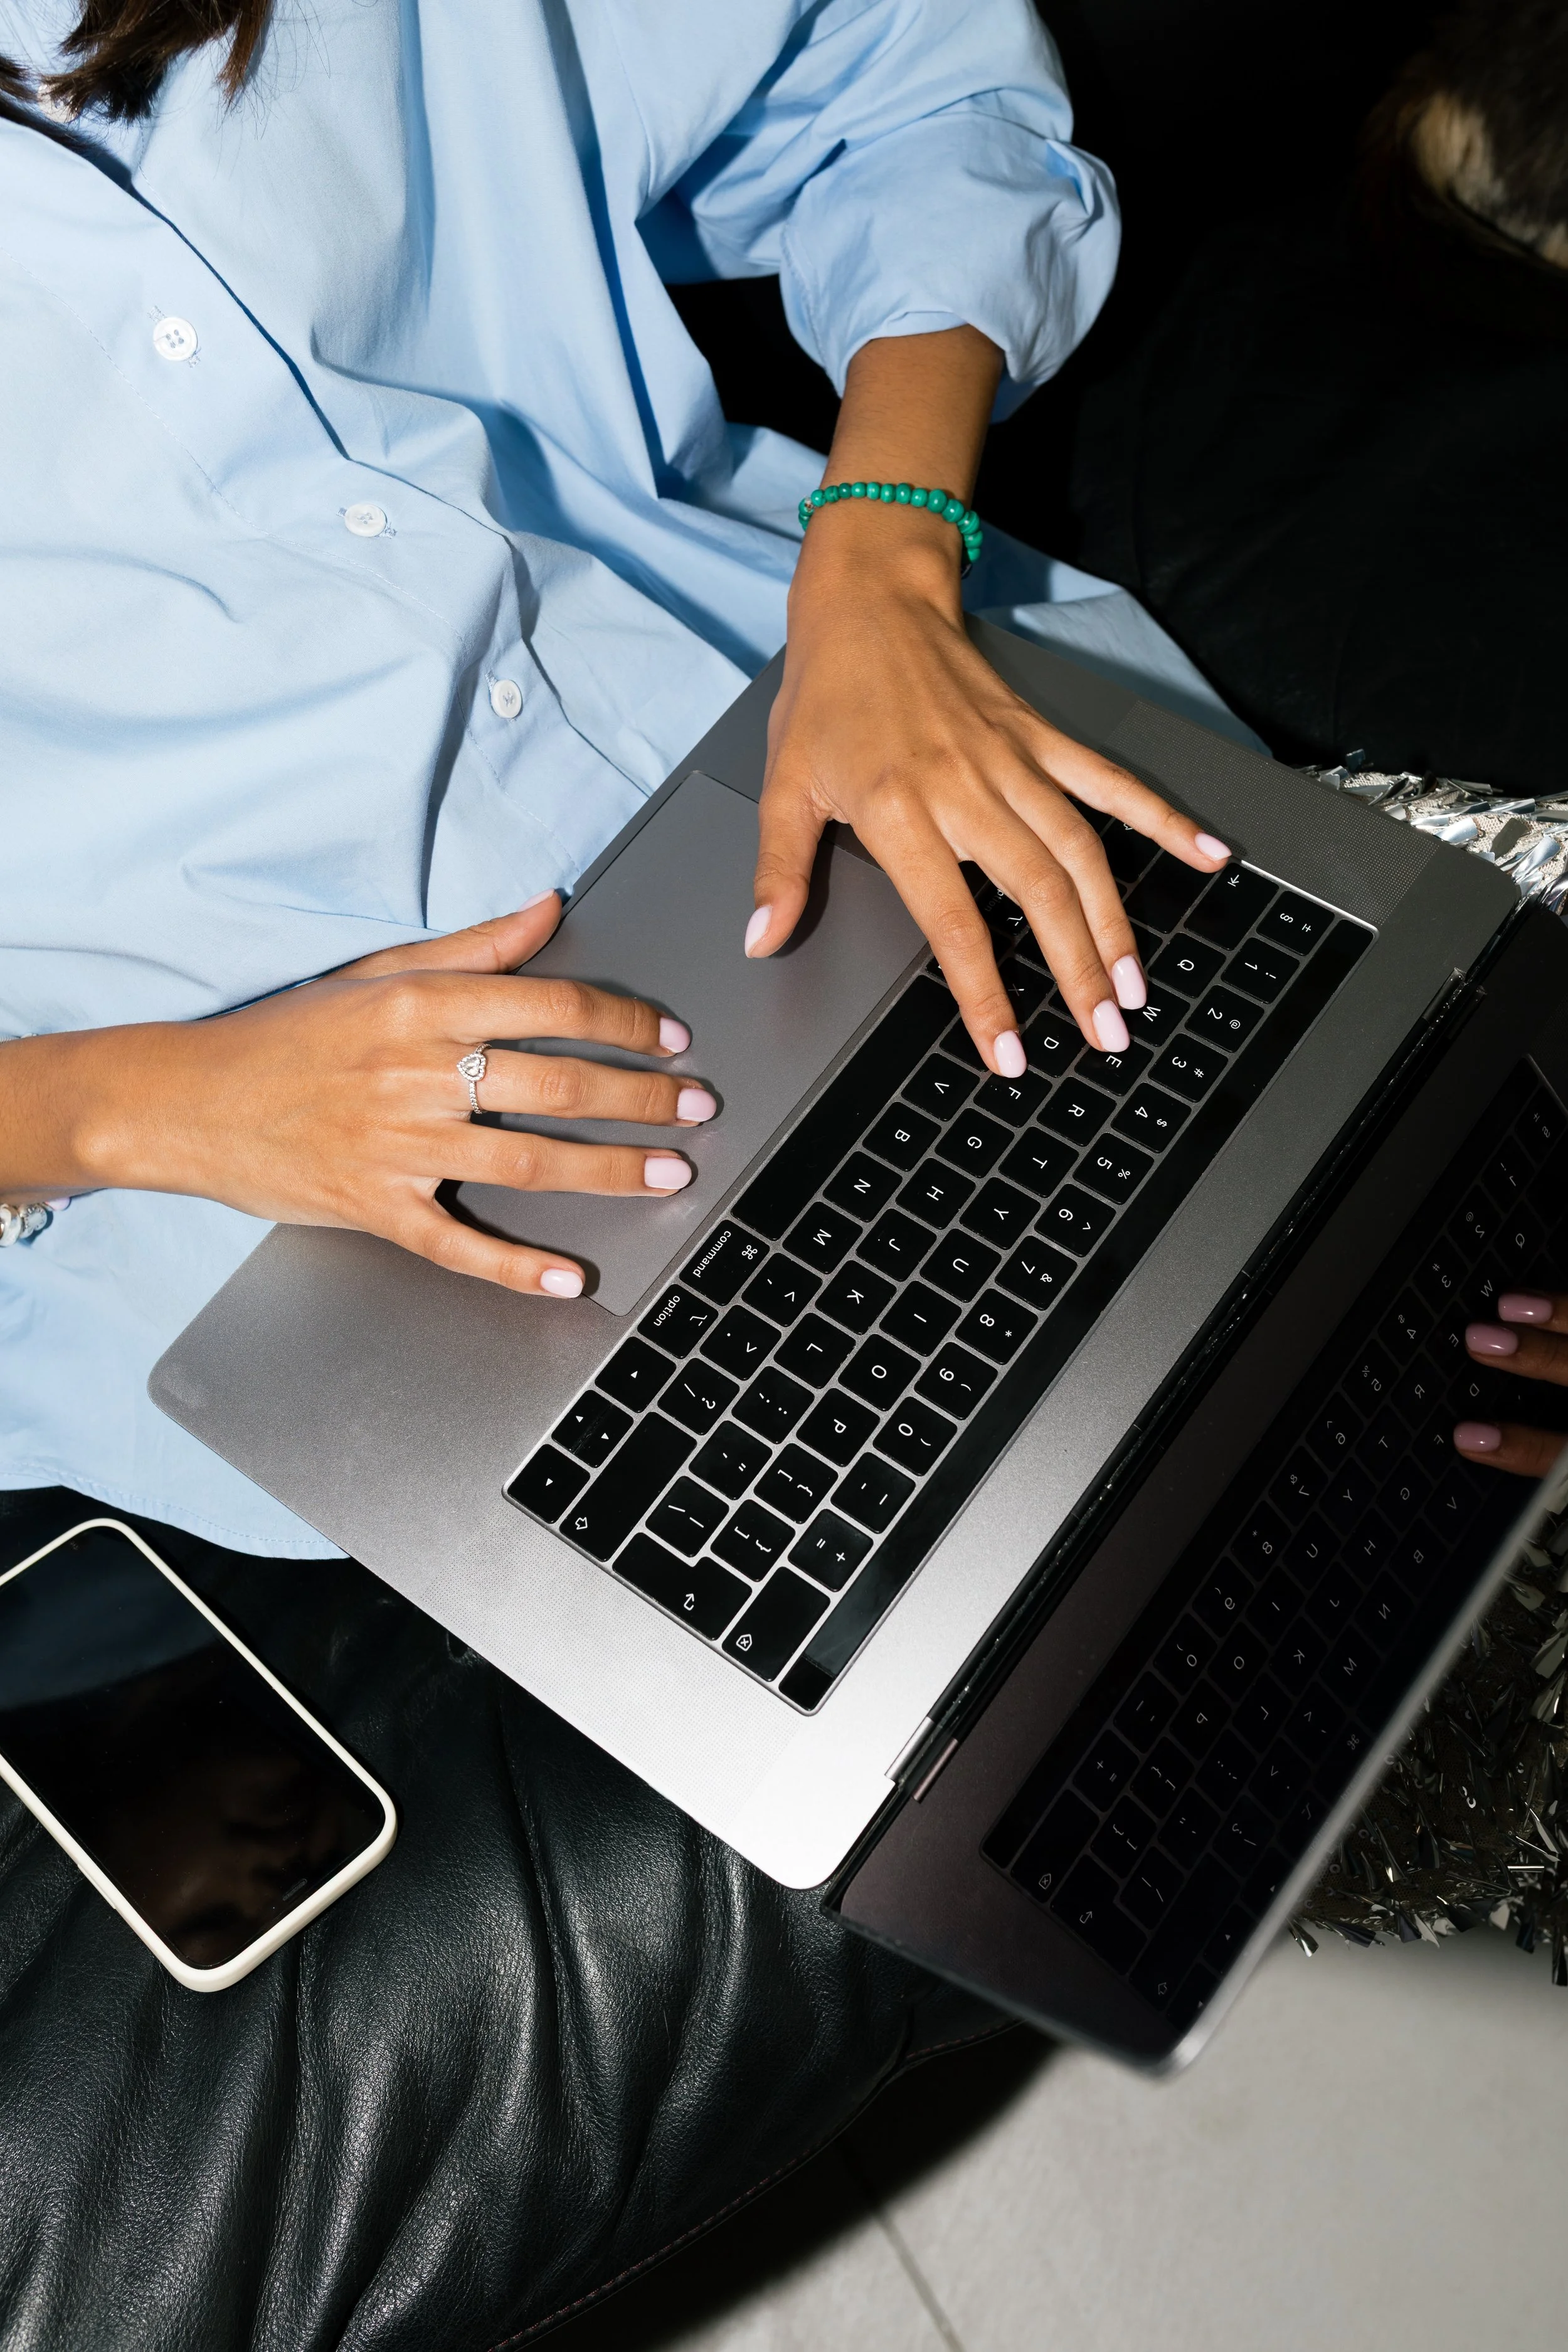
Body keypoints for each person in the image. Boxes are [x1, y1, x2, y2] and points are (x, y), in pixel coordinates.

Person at [0, 0, 1525, 1562]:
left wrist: (881, 551)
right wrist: (131, 1109)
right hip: (339, 1224)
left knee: (1472, 1201)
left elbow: (906, 77)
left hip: (858, 740)